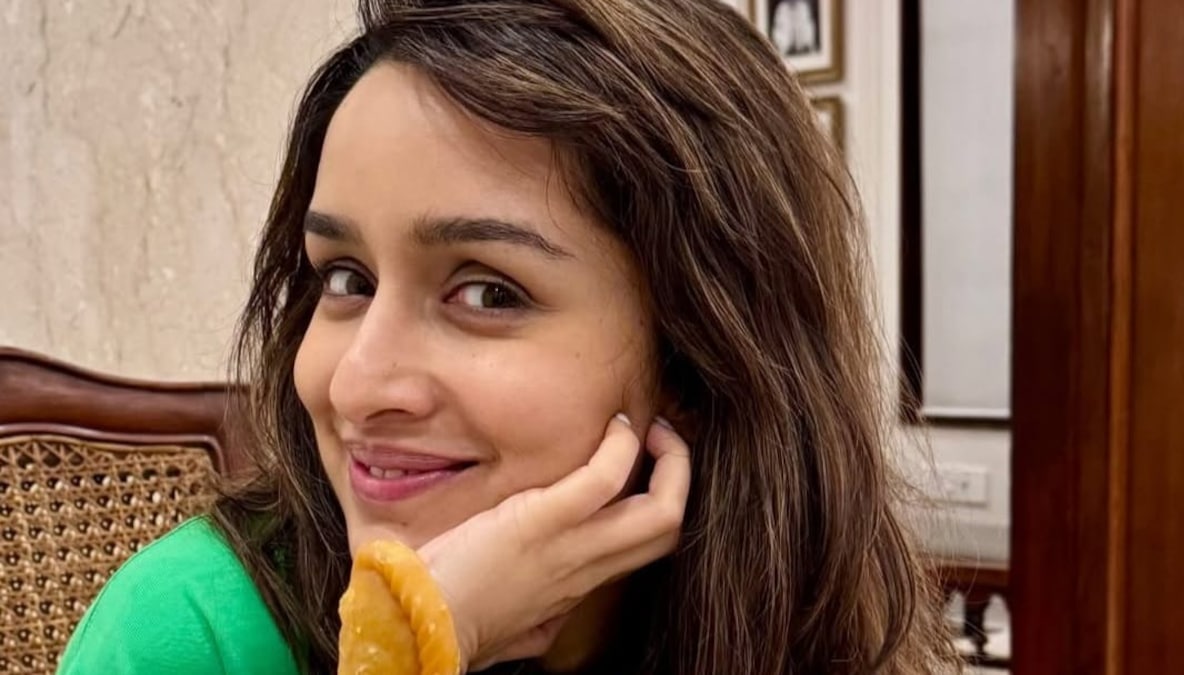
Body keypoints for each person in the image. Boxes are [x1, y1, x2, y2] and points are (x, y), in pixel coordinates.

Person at [58, 0, 959, 673]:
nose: (357, 382)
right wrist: (412, 645)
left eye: (487, 293)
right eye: (345, 279)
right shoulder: (186, 632)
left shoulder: (788, 618)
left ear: (694, 357)